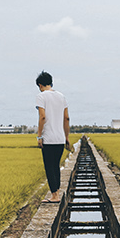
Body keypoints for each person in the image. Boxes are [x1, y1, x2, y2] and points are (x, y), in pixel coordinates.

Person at [34, 71, 71, 202]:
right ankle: (57, 193)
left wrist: (39, 136)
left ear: (40, 85)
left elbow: (42, 117)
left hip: (48, 138)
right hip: (60, 138)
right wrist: (66, 137)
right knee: (56, 166)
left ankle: (54, 196)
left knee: (49, 167)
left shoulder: (41, 96)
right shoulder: (62, 96)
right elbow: (66, 118)